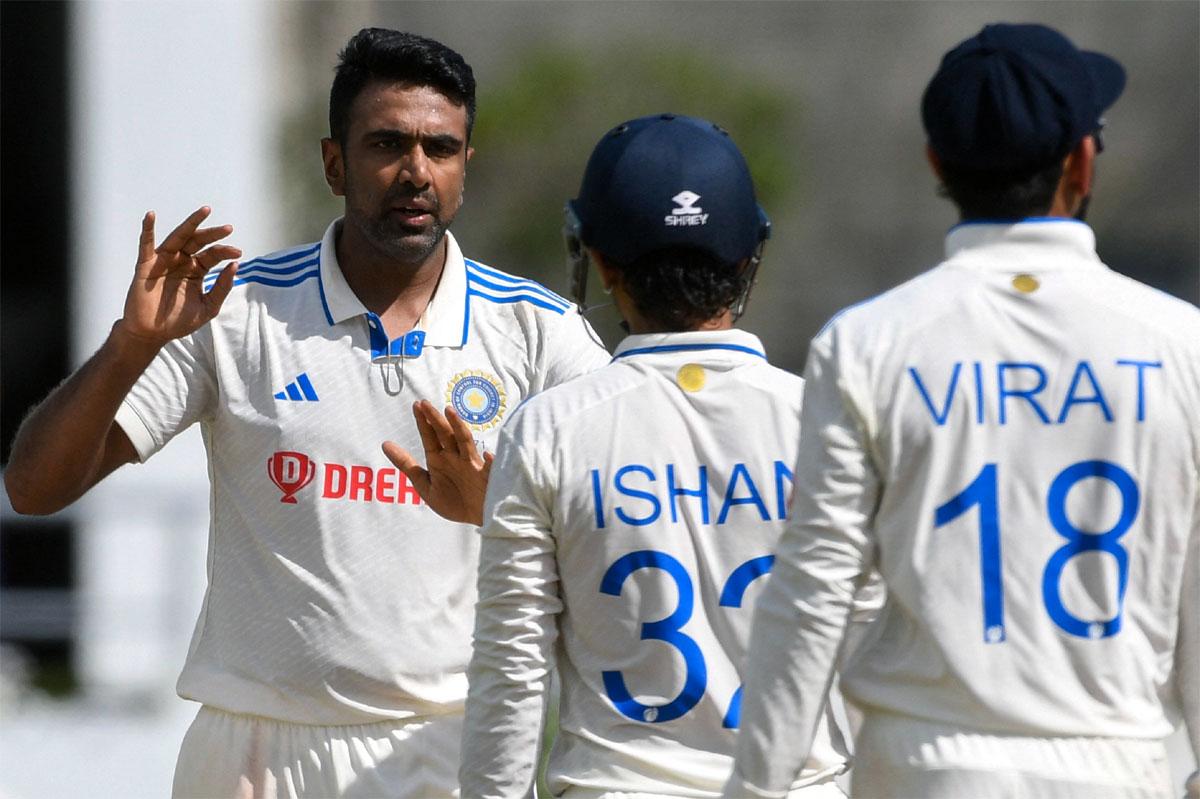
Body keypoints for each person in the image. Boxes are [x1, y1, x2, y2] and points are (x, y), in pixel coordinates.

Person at [4, 27, 608, 799]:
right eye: (387, 144)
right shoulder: (236, 309)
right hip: (251, 750)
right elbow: (34, 487)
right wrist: (130, 345)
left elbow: (621, 523)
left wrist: (495, 507)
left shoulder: (538, 330)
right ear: (334, 163)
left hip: (444, 743)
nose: (416, 172)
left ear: (466, 169)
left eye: (441, 148)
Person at [726, 22, 1200, 799]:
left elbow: (812, 591)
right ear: (1083, 160)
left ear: (937, 163)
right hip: (1116, 768)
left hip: (921, 768)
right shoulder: (1183, 343)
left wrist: (756, 788)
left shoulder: (867, 343)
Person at [457, 113, 868, 799]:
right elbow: (869, 647)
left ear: (601, 261)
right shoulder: (827, 421)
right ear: (746, 260)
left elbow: (512, 671)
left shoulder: (548, 429)